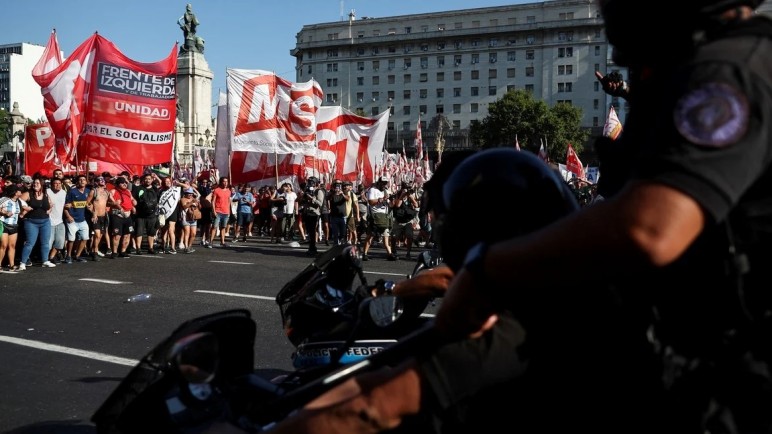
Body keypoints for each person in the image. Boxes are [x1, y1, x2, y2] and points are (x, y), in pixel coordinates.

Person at [266, 1, 772, 433]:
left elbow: (650, 227)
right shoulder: (695, 73)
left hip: (708, 372)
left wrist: (488, 270)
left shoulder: (732, 69)